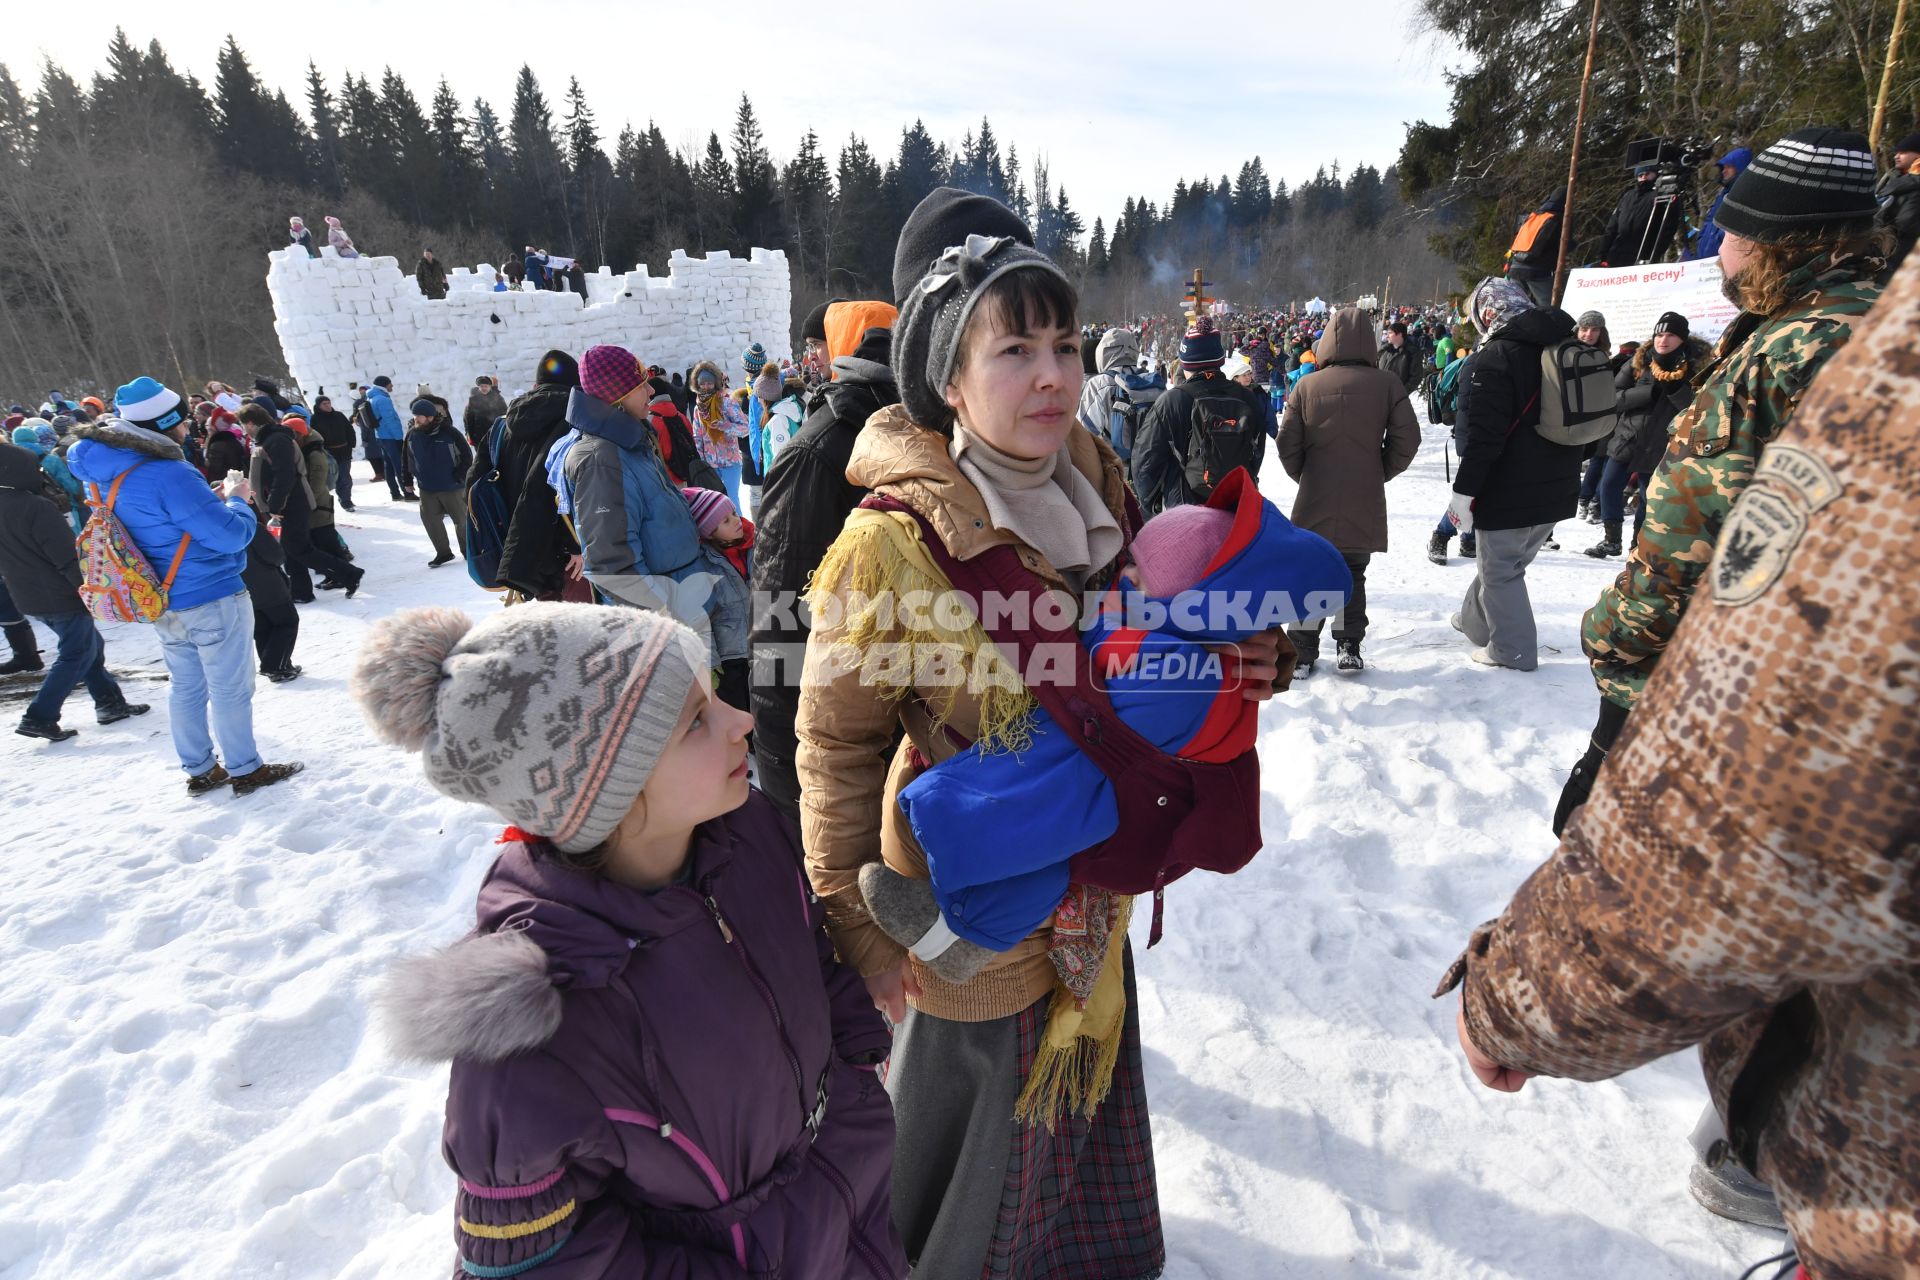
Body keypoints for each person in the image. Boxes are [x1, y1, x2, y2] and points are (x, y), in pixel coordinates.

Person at [797, 188, 1288, 1279]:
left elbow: (1165, 645)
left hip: (1093, 882)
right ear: (948, 376)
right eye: (1013, 347)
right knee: (966, 1162)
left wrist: (1255, 660)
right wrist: (859, 936)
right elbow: (833, 751)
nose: (1054, 374)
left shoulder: (1098, 483)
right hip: (964, 909)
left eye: (1065, 342)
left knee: (1076, 1116)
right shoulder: (889, 545)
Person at [1442, 242, 1920, 1280]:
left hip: (1886, 1178)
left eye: (1739, 227)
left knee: (1506, 593)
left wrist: (1517, 995)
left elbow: (1763, 802)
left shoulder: (1865, 366)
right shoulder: (1852, 325)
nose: (1723, 246)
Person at [357, 603, 905, 1280]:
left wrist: (854, 1065)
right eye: (695, 723)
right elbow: (533, 1265)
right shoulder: (535, 1029)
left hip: (855, 1220)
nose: (739, 722)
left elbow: (808, 943)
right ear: (604, 791)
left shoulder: (747, 831)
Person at [861, 473, 1345, 981]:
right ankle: (963, 929)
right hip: (1119, 798)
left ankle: (964, 930)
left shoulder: (1185, 675)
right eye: (1128, 567)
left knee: (1044, 832)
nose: (1125, 579)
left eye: (1139, 578)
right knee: (1048, 848)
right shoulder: (1188, 644)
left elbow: (1099, 668)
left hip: (1119, 802)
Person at [1563, 128, 1885, 829]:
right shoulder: (1866, 320)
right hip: (1798, 692)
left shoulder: (1803, 344)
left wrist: (1617, 630)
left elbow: (1703, 521)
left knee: (1609, 869)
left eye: (1732, 232)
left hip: (1725, 685)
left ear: (1776, 241)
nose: (1718, 252)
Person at [66, 383, 302, 796]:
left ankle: (200, 768)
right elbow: (230, 537)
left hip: (157, 595)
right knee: (230, 687)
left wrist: (206, 504)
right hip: (209, 593)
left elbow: (153, 521)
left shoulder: (104, 471)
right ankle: (246, 769)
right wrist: (237, 501)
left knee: (186, 686)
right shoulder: (168, 472)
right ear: (166, 423)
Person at [749, 302, 899, 824]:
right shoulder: (920, 427)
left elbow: (778, 605)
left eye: (818, 347)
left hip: (837, 719)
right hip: (891, 718)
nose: (812, 359)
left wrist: (776, 750)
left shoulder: (817, 448)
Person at [560, 345, 747, 673]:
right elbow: (612, 565)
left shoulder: (631, 441)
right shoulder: (602, 461)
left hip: (688, 610)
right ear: (616, 397)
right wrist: (666, 624)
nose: (651, 390)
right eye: (640, 385)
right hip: (667, 632)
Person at [1443, 277, 1585, 671]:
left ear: (1487, 313)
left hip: (1510, 489)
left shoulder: (1496, 357)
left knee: (1501, 570)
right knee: (1504, 564)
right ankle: (1475, 621)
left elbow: (1482, 439)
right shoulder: (1561, 346)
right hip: (1557, 485)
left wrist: (1464, 493)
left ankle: (1512, 651)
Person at [1278, 306, 1421, 676]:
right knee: (1353, 571)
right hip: (1363, 494)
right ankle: (1348, 645)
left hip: (1315, 495)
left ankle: (1303, 649)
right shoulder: (1386, 382)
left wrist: (1306, 476)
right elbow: (1408, 440)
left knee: (1312, 571)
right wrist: (1378, 471)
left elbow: (1287, 443)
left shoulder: (1307, 384)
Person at [0, 441, 148, 740]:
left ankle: (110, 703)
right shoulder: (36, 507)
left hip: (27, 596)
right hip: (58, 594)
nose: (40, 474)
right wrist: (88, 590)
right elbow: (66, 557)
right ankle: (39, 716)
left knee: (88, 647)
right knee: (77, 653)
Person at [1583, 312, 1711, 558]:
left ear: (1682, 339)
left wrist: (1675, 390)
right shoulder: (1639, 362)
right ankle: (1611, 539)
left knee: (1647, 496)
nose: (1663, 340)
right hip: (1628, 437)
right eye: (1659, 334)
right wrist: (1645, 394)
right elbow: (1612, 396)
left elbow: (1698, 408)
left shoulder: (1695, 365)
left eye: (1671, 335)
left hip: (1662, 443)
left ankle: (1637, 544)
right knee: (1609, 484)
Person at [1132, 315, 1267, 512]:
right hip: (1237, 508)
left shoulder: (1173, 401)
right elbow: (1256, 452)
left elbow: (1145, 461)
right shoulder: (1246, 398)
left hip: (1185, 512)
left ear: (1187, 363)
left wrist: (1149, 505)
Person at [239, 404, 364, 600]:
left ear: (250, 423)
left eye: (244, 425)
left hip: (291, 503)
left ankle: (348, 573)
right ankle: (301, 591)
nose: (244, 430)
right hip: (286, 503)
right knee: (290, 550)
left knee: (300, 549)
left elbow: (285, 475)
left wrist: (275, 505)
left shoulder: (277, 439)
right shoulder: (270, 438)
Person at [492, 350, 589, 603]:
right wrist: (575, 545)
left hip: (524, 549)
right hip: (567, 553)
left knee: (553, 628)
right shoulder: (573, 421)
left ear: (536, 386)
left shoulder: (502, 427)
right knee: (582, 629)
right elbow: (561, 485)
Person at [404, 398, 473, 568]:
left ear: (429, 417)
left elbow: (467, 456)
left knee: (462, 521)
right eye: (415, 416)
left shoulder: (449, 432)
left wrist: (459, 475)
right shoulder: (412, 434)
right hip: (427, 488)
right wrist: (406, 480)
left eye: (419, 416)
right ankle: (443, 553)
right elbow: (406, 459)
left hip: (452, 487)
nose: (416, 419)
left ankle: (468, 550)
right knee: (431, 521)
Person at [238, 506, 300, 682]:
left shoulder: (213, 529)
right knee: (287, 621)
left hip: (243, 588)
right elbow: (275, 555)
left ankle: (280, 663)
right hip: (268, 584)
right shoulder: (249, 525)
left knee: (263, 626)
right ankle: (275, 666)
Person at [1572, 310, 1615, 524]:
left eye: (1594, 330)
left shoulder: (1603, 356)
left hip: (1594, 419)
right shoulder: (1566, 351)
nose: (1588, 334)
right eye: (1584, 329)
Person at [688, 361, 749, 506]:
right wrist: (702, 460)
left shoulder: (727, 403)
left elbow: (745, 427)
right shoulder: (698, 408)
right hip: (710, 464)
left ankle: (741, 527)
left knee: (732, 500)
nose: (706, 387)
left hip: (730, 462)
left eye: (709, 383)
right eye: (702, 384)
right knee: (716, 504)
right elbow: (697, 436)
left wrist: (725, 426)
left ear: (715, 383)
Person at [1599, 165, 1684, 266]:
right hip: (1616, 253)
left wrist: (1656, 253)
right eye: (1640, 175)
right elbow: (1612, 227)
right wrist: (1603, 254)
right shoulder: (1628, 196)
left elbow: (1669, 227)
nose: (1643, 177)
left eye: (1648, 174)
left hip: (1643, 254)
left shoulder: (1658, 195)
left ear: (1655, 174)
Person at [11, 421, 85, 534]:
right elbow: (69, 485)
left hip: (34, 513)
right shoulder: (50, 459)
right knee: (77, 540)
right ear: (34, 438)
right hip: (62, 506)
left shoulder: (12, 464)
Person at [1687, 147, 1753, 261]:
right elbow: (1708, 222)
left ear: (1740, 167)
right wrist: (1701, 241)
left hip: (1726, 262)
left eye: (1728, 167)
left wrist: (1719, 243)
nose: (1724, 171)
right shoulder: (1722, 195)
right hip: (1705, 263)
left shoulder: (1746, 194)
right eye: (1724, 167)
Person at [1503, 187, 1566, 305]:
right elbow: (1564, 246)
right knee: (1548, 306)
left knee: (1514, 304)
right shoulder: (1558, 219)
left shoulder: (1533, 216)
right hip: (1537, 271)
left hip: (1515, 266)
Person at [1874, 128, 1920, 273]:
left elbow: (1907, 225)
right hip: (1885, 251)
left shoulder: (1913, 185)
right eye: (1896, 152)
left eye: (1903, 152)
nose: (1896, 156)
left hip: (1902, 258)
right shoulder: (1895, 178)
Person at [366, 376, 416, 500]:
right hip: (391, 437)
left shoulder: (372, 398)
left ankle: (394, 493)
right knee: (400, 465)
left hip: (381, 436)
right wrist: (398, 438)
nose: (392, 386)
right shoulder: (382, 399)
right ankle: (408, 493)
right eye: (390, 384)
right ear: (384, 385)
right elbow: (389, 420)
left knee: (388, 465)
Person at [307, 395, 357, 511]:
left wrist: (351, 445)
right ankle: (344, 500)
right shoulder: (315, 419)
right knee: (338, 478)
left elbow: (349, 430)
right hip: (329, 453)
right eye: (324, 404)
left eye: (329, 403)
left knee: (346, 477)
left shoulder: (339, 415)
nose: (328, 406)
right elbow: (314, 436)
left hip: (344, 451)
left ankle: (345, 499)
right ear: (319, 406)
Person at [1376, 319, 1423, 394]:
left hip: (1397, 397)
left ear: (1400, 334)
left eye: (1390, 333)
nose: (1387, 336)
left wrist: (1401, 393)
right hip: (1379, 394)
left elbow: (1416, 377)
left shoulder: (1412, 353)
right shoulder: (1384, 350)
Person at [461, 375, 508, 449]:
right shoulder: (473, 400)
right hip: (479, 435)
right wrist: (470, 434)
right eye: (482, 386)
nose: (484, 388)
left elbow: (505, 415)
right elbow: (468, 418)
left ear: (490, 387)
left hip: (495, 433)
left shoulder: (498, 398)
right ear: (478, 387)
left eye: (486, 386)